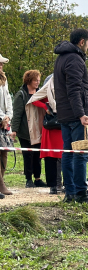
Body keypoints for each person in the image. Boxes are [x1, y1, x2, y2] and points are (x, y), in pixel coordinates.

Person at [54, 28, 88, 206]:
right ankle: (80, 193)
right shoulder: (75, 59)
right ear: (82, 42)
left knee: (68, 153)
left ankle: (71, 193)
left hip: (66, 114)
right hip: (75, 116)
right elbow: (74, 90)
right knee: (80, 154)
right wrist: (82, 114)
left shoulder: (62, 58)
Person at [26, 74, 63, 194]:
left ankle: (63, 183)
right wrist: (46, 106)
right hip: (51, 127)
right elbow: (34, 100)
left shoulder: (64, 87)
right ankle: (53, 185)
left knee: (64, 156)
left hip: (62, 127)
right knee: (51, 157)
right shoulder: (47, 87)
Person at [11, 70, 46, 188]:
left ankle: (38, 178)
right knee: (28, 154)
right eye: (36, 80)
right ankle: (28, 179)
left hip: (38, 129)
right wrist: (14, 130)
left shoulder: (40, 93)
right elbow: (17, 114)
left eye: (39, 80)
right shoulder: (21, 94)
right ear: (29, 80)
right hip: (25, 130)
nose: (37, 82)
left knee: (37, 155)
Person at [0, 54, 13, 198]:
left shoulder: (4, 79)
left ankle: (1, 181)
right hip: (0, 119)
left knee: (4, 151)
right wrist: (2, 116)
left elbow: (8, 98)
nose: (1, 66)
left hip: (3, 122)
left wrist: (8, 116)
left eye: (2, 64)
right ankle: (1, 185)